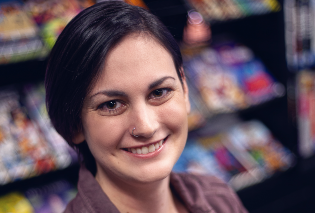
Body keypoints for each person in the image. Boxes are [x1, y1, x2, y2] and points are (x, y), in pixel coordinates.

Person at [45, 1, 248, 212]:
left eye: (159, 92)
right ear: (74, 124)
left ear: (185, 90)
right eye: (111, 104)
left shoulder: (218, 197)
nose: (146, 127)